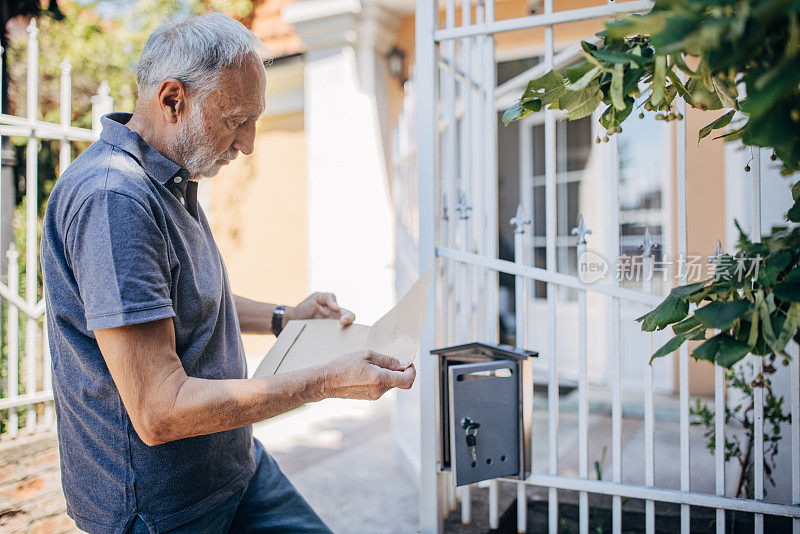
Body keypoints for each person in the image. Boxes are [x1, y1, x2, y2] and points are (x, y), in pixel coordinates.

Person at [40, 12, 416, 534]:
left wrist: (285, 316)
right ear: (173, 101)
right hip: (164, 508)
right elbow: (160, 408)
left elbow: (183, 300)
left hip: (233, 467)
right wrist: (326, 381)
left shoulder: (170, 178)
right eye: (237, 119)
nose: (249, 142)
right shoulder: (114, 200)